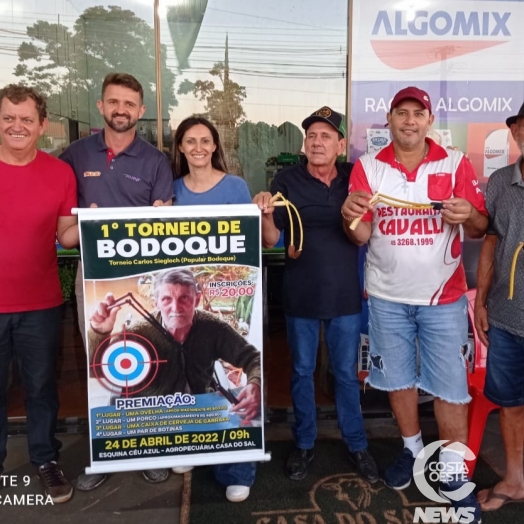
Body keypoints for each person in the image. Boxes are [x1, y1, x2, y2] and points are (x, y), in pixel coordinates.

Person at [342, 87, 487, 523]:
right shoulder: (368, 167)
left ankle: (454, 475)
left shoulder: (455, 161)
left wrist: (469, 215)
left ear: (429, 120)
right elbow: (361, 235)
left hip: (442, 297)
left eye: (417, 114)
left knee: (450, 389)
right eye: (401, 113)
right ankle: (412, 449)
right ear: (389, 119)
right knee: (398, 381)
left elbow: (480, 227)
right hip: (386, 297)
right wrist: (350, 216)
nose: (408, 121)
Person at [59, 72, 173, 490]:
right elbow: (62, 223)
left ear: (141, 112)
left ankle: (149, 448)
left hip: (143, 280)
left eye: (129, 104)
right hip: (93, 278)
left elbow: (165, 224)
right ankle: (104, 455)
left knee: (148, 362)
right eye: (114, 102)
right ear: (101, 106)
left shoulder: (156, 160)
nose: (121, 109)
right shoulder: (75, 155)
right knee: (100, 364)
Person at [253, 107, 379, 484]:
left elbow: (365, 232)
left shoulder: (353, 178)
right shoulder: (287, 180)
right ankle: (304, 442)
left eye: (326, 136)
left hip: (344, 295)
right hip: (301, 292)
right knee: (302, 372)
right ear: (304, 144)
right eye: (311, 136)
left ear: (341, 144)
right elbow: (274, 239)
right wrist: (264, 214)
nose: (317, 142)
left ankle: (357, 444)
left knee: (344, 374)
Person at [167, 116, 259, 502]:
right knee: (184, 380)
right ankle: (188, 447)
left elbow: (250, 241)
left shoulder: (236, 186)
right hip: (182, 305)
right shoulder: (170, 190)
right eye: (191, 141)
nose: (199, 147)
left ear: (215, 145)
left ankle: (237, 468)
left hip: (225, 302)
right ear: (181, 147)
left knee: (230, 382)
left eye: (206, 140)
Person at [0, 84, 79, 503]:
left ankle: (45, 460)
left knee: (41, 387)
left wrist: (87, 225)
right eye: (9, 117)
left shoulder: (59, 173)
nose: (17, 126)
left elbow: (65, 236)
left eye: (26, 119)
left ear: (41, 125)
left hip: (41, 302)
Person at [474, 102, 524, 512]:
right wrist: (482, 303)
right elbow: (490, 242)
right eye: (523, 125)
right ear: (515, 132)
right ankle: (514, 479)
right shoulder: (500, 181)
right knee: (511, 404)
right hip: (507, 318)